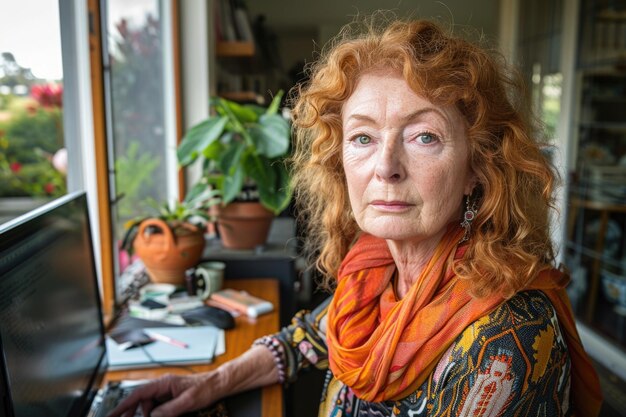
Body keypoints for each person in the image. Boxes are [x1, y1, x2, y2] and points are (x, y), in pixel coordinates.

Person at [110, 17, 603, 417]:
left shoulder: (507, 337)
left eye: (424, 137)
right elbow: (305, 338)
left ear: (478, 166)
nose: (385, 168)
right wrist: (206, 385)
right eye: (363, 137)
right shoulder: (376, 269)